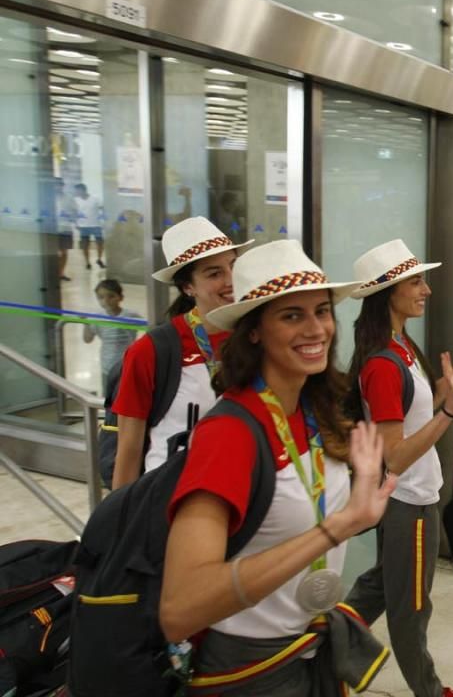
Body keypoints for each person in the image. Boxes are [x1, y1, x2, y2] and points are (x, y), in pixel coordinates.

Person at [159, 239, 394, 694]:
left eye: (322, 311)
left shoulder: (316, 410)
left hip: (310, 645)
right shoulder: (229, 433)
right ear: (253, 331)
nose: (316, 328)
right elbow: (180, 609)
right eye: (292, 315)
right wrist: (335, 528)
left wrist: (361, 489)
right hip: (249, 668)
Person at [342, 238, 453, 697]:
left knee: (381, 588)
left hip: (417, 499)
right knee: (411, 609)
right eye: (415, 281)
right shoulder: (383, 364)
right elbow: (395, 455)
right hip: (407, 504)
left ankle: (325, 650)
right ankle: (429, 689)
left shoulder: (402, 346)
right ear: (389, 292)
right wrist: (449, 414)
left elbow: (424, 409)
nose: (425, 289)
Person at [111, 217, 251, 489]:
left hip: (246, 493)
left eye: (233, 266)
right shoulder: (152, 351)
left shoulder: (260, 336)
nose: (230, 280)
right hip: (171, 499)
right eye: (214, 273)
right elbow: (129, 449)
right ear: (188, 287)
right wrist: (119, 522)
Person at [83, 278, 143, 385]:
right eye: (101, 297)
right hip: (107, 365)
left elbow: (149, 329)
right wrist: (85, 323)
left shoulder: (131, 315)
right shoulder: (97, 318)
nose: (106, 301)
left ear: (120, 297)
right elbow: (87, 339)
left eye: (111, 296)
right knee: (109, 395)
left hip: (128, 364)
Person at [74, 182, 104, 269]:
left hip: (96, 225)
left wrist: (103, 221)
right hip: (83, 226)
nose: (77, 193)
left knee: (100, 243)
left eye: (78, 191)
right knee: (85, 245)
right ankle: (87, 262)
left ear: (83, 190)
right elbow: (74, 213)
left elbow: (102, 209)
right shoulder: (76, 200)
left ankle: (99, 259)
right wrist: (76, 223)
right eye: (76, 191)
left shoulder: (95, 198)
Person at [53, 177, 74, 281]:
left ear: (62, 186)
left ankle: (61, 273)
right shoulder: (47, 197)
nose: (57, 187)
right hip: (51, 230)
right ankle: (54, 273)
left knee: (64, 252)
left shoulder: (69, 198)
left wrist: (71, 217)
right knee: (53, 252)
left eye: (59, 184)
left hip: (65, 228)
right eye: (55, 184)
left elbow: (75, 211)